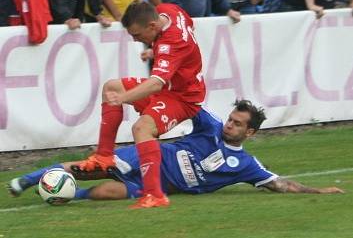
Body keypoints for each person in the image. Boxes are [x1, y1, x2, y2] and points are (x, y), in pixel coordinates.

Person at [8, 100, 343, 204]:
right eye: (230, 119)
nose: (229, 125)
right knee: (92, 166)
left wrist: (318, 190)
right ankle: (28, 179)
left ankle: (63, 195)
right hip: (147, 157)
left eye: (238, 124)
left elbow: (279, 184)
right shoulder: (210, 126)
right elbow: (186, 101)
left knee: (104, 192)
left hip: (160, 186)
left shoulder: (244, 164)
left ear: (250, 132)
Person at [74, 1, 206, 208]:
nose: (135, 40)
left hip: (183, 97)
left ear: (153, 26)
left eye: (137, 35)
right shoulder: (168, 10)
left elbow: (155, 84)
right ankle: (104, 156)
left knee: (141, 128)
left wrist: (124, 99)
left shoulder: (171, 44)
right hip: (170, 87)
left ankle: (155, 195)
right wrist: (158, 53)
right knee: (111, 88)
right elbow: (189, 27)